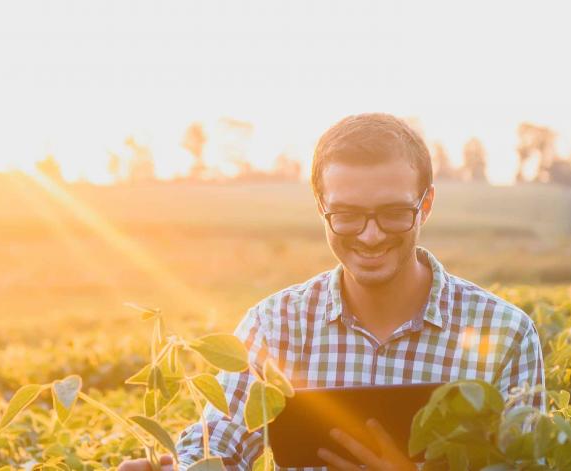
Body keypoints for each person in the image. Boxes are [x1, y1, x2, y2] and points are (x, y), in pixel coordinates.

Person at [119, 113, 546, 471]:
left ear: (427, 204)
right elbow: (221, 447)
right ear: (320, 206)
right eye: (347, 215)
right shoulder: (274, 326)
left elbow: (526, 462)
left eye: (394, 213)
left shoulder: (505, 333)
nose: (371, 235)